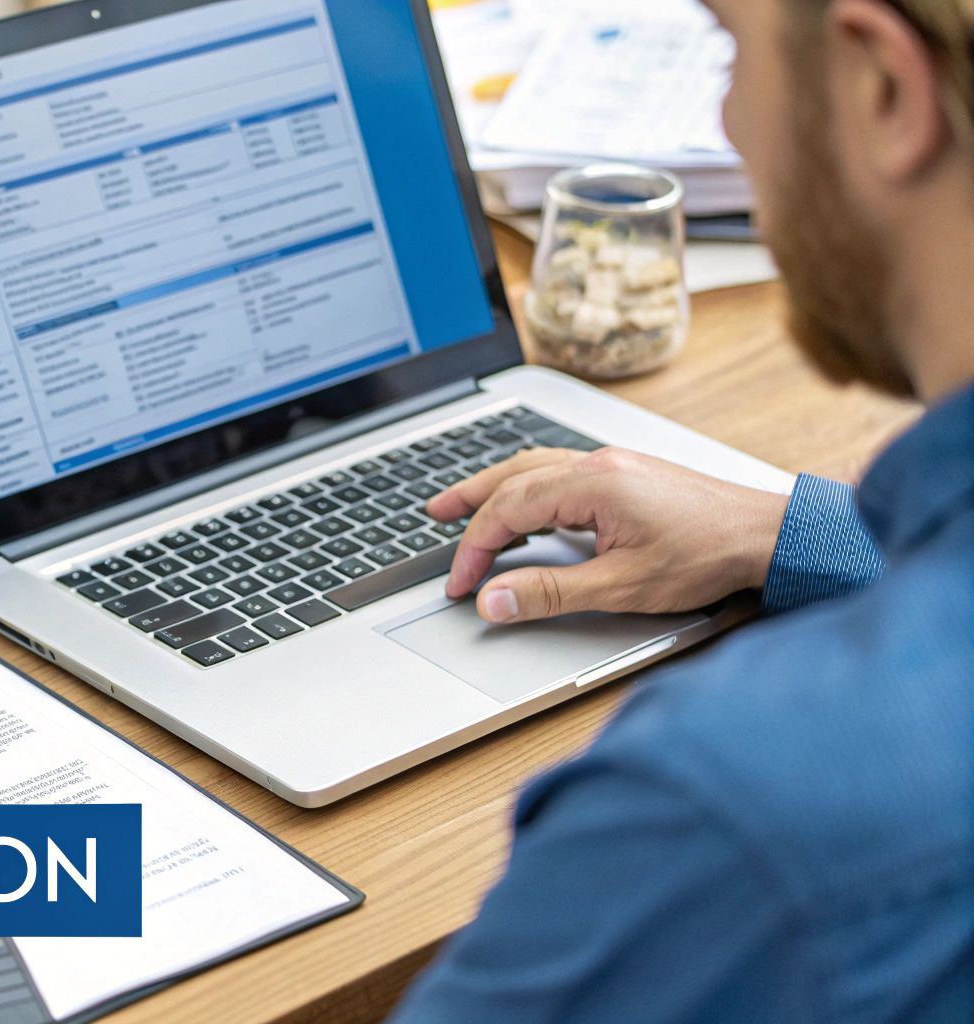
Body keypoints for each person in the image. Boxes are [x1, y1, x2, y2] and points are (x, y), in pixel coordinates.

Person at [388, 0, 973, 1020]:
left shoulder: (720, 814)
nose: (731, 117)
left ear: (879, 86)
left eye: (731, 50)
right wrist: (780, 529)